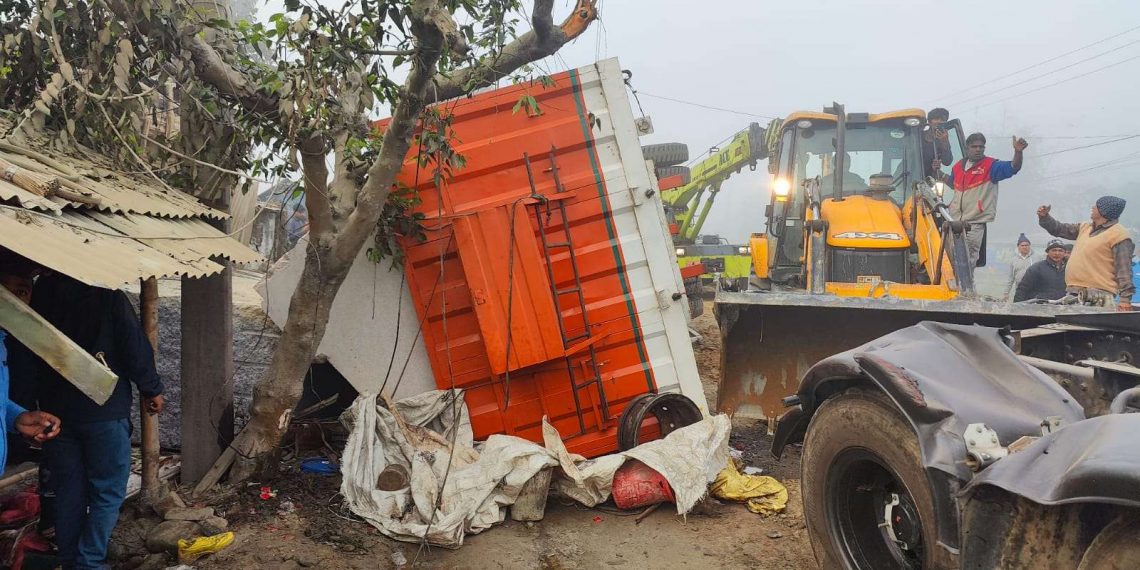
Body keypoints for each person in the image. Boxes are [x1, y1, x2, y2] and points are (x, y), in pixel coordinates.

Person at [29, 273, 165, 570]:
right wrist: (151, 388)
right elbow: (133, 345)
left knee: (69, 491)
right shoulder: (107, 293)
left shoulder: (41, 291)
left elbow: (27, 350)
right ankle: (89, 563)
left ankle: (70, 560)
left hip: (55, 413)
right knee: (107, 491)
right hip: (104, 411)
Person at [0, 253, 63, 475]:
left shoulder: (2, 343)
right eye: (3, 291)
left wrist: (16, 416)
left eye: (21, 292)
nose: (11, 301)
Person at [941, 133, 1028, 280]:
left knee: (967, 261)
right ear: (967, 148)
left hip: (974, 223)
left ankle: (965, 292)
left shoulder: (991, 166)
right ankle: (952, 289)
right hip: (953, 221)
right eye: (974, 146)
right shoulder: (957, 167)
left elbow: (1014, 167)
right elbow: (952, 184)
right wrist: (938, 173)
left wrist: (1018, 152)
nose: (978, 149)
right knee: (950, 260)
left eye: (981, 147)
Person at [1037, 196, 1134, 311]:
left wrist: (1125, 300)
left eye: (1097, 206)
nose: (1093, 208)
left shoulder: (1119, 235)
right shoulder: (1085, 227)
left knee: (1091, 328)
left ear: (1104, 211)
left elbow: (1124, 269)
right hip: (1074, 292)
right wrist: (1045, 217)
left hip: (1099, 296)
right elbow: (1060, 229)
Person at [1005, 233, 1036, 301]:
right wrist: (1006, 293)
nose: (1025, 247)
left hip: (1034, 291)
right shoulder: (1013, 260)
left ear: (1029, 246)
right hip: (1019, 291)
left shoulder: (1036, 258)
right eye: (1022, 245)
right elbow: (1011, 278)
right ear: (1018, 246)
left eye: (1026, 245)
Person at [923, 107, 953, 178]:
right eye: (936, 119)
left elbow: (947, 162)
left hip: (929, 179)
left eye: (942, 120)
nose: (939, 122)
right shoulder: (918, 135)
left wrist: (945, 142)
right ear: (929, 122)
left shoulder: (943, 140)